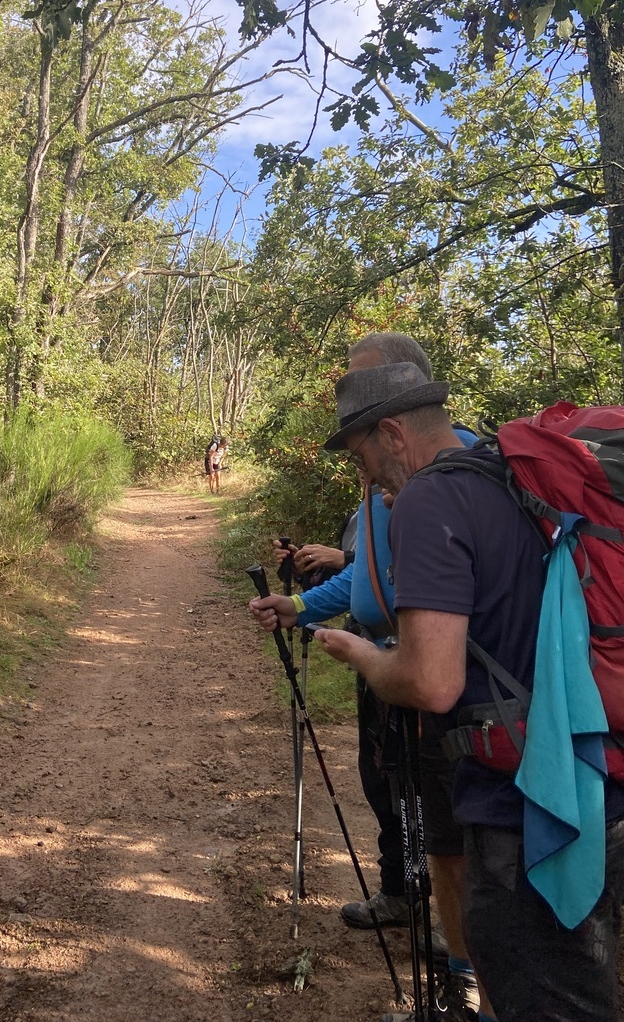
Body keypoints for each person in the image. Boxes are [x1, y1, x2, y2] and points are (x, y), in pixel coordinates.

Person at [311, 363, 624, 1022]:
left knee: (543, 992)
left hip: (523, 805)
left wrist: (367, 657)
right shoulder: (506, 477)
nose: (366, 479)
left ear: (393, 434)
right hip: (592, 771)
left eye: (363, 457)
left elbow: (431, 681)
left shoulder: (431, 498)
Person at [253, 337, 484, 1022]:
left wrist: (367, 655)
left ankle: (465, 978)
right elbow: (370, 579)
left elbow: (429, 635)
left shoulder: (446, 477)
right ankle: (424, 919)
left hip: (445, 685)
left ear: (396, 411)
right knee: (403, 801)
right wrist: (299, 606)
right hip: (403, 669)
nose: (345, 400)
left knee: (451, 836)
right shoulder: (396, 485)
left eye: (358, 386)